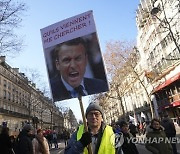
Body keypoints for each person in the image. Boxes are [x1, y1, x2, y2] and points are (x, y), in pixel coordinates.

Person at [50, 37, 108, 101]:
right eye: (67, 60)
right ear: (57, 64)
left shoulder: (100, 86)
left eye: (78, 58)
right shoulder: (52, 92)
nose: (73, 65)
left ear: (86, 60)